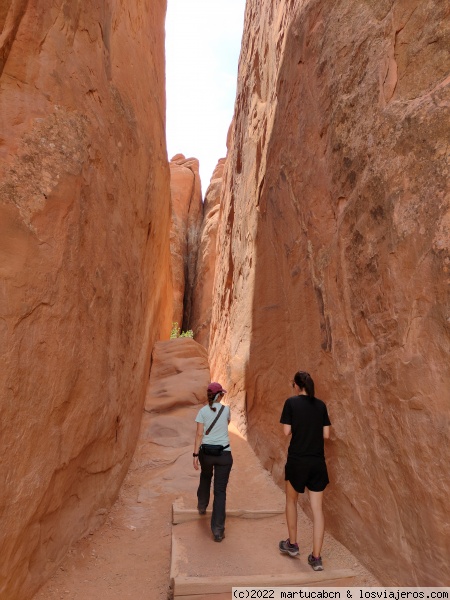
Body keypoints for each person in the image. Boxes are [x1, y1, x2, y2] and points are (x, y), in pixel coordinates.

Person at [279, 371, 331, 571]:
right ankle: (316, 558)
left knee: (291, 501)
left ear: (296, 385)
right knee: (317, 510)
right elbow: (326, 435)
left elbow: (286, 431)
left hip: (298, 461)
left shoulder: (291, 403)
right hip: (317, 462)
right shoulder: (321, 405)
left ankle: (292, 545)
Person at [193, 382, 233, 542]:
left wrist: (195, 454)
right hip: (224, 454)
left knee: (205, 475)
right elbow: (226, 424)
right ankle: (218, 531)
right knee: (220, 492)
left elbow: (198, 434)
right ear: (220, 395)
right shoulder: (226, 410)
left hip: (206, 453)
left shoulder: (202, 412)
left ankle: (202, 505)